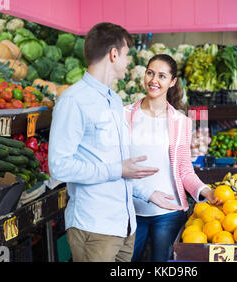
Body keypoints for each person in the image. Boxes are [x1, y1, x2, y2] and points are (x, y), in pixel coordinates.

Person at [48, 22, 181, 262]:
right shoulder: (73, 101)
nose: (129, 62)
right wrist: (117, 169)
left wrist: (148, 193)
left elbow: (118, 165)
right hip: (94, 227)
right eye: (127, 54)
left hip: (124, 226)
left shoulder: (114, 101)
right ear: (113, 54)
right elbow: (59, 166)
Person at [125, 54, 220, 262]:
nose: (154, 80)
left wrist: (205, 191)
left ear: (172, 81)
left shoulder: (181, 121)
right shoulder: (125, 115)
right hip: (130, 210)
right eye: (150, 73)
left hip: (169, 212)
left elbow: (185, 169)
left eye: (161, 76)